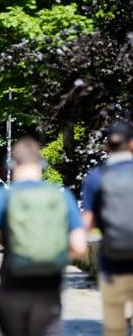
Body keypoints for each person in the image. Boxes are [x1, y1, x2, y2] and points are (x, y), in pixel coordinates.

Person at [0, 137, 86, 336]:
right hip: (49, 284)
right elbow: (79, 246)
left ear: (11, 165)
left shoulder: (3, 197)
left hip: (13, 281)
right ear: (41, 164)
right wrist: (55, 260)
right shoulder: (61, 196)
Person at [82, 121, 133, 336]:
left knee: (114, 325)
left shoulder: (96, 177)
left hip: (113, 262)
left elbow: (87, 224)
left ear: (107, 147)